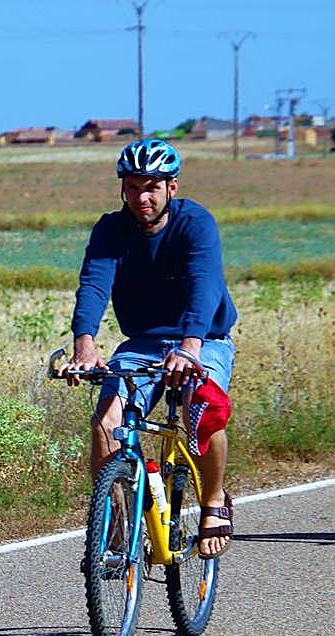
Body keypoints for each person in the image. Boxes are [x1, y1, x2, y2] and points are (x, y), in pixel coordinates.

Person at [61, 138, 237, 558]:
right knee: (106, 421)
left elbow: (204, 286)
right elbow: (94, 285)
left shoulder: (195, 223)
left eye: (152, 187)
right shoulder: (110, 229)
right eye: (133, 187)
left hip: (204, 338)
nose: (142, 197)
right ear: (122, 188)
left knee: (201, 409)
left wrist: (190, 346)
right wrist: (84, 345)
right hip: (142, 342)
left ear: (171, 188)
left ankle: (213, 502)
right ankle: (117, 532)